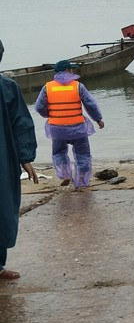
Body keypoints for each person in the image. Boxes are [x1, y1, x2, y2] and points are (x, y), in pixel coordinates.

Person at [1, 39, 38, 280]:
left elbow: (20, 124)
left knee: (3, 209)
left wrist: (26, 158)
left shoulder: (7, 87)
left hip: (2, 159)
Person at [34, 59, 104, 189]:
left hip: (57, 128)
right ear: (67, 70)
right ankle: (82, 181)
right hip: (77, 128)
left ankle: (65, 175)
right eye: (71, 69)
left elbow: (39, 107)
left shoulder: (47, 87)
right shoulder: (78, 86)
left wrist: (49, 114)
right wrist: (98, 119)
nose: (73, 71)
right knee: (83, 155)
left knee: (59, 153)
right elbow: (90, 105)